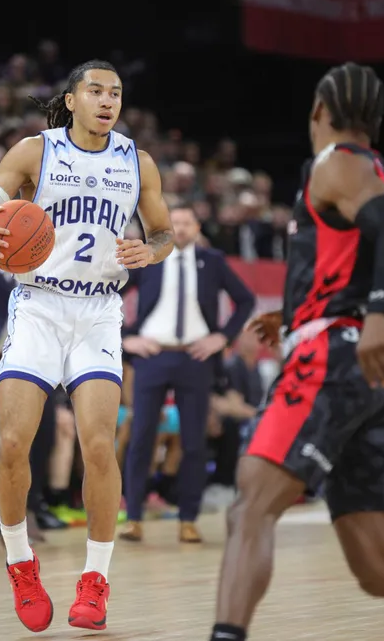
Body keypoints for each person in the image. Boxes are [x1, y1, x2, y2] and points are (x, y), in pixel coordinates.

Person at [0, 59, 174, 632]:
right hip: (38, 306)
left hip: (99, 312)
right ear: (72, 100)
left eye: (116, 93)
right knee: (13, 446)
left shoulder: (138, 163)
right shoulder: (35, 151)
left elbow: (165, 232)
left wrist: (152, 252)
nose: (108, 100)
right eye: (96, 91)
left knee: (99, 446)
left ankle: (95, 582)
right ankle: (21, 565)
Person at [211, 62, 384, 641]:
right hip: (357, 366)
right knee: (378, 569)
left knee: (250, 503)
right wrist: (292, 315)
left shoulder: (336, 162)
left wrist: (381, 315)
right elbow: (352, 266)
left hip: (333, 361)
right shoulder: (365, 169)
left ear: (319, 110)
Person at [120, 202, 254, 542]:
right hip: (152, 355)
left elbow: (246, 300)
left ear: (197, 228)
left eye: (186, 222)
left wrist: (222, 337)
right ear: (163, 226)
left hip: (195, 357)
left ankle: (188, 518)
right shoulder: (149, 258)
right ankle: (133, 516)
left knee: (194, 441)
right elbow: (107, 294)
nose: (179, 228)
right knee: (141, 437)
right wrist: (126, 338)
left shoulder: (213, 262)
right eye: (174, 222)